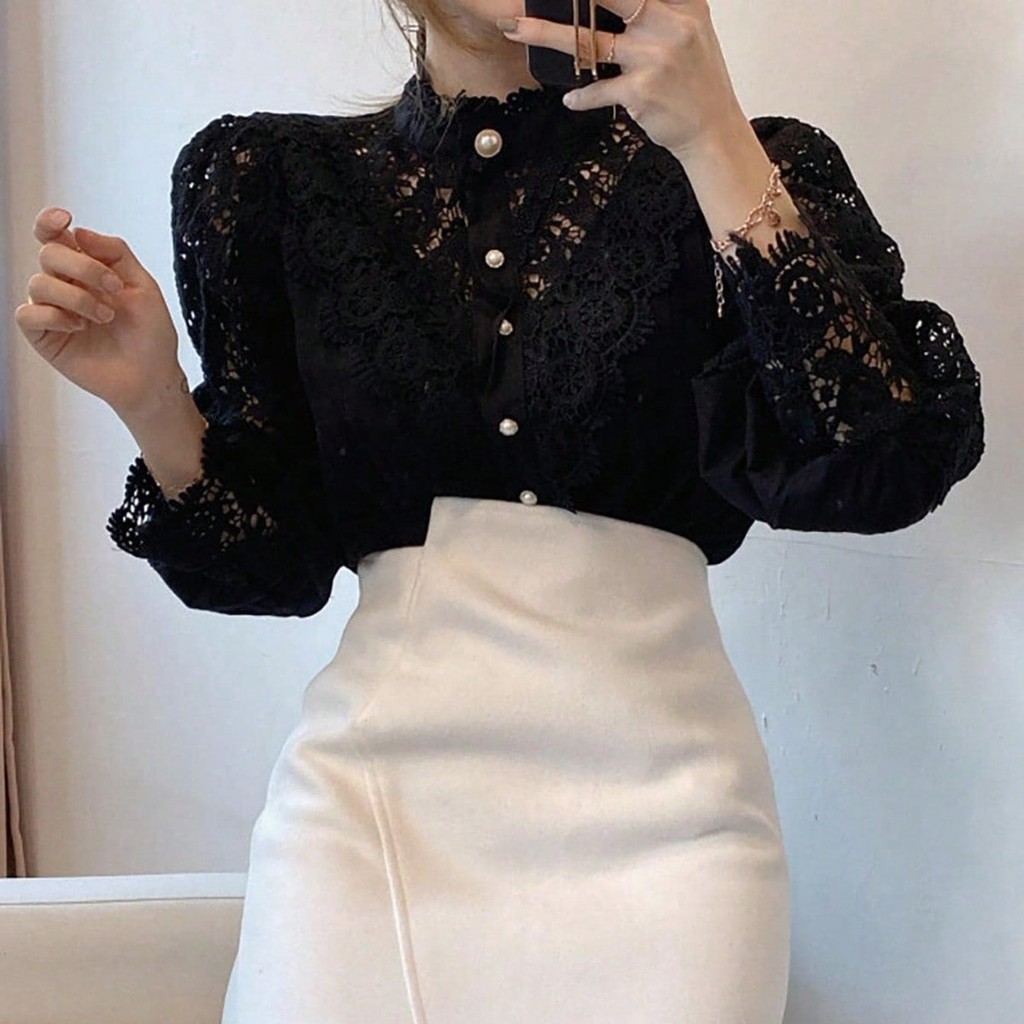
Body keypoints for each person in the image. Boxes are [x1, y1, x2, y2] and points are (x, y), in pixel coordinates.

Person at [15, 1, 984, 1021]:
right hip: (366, 818)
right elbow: (274, 565)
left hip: (675, 827)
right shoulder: (271, 182)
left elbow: (882, 459)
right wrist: (153, 399)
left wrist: (713, 140)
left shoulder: (750, 165)